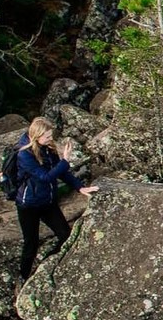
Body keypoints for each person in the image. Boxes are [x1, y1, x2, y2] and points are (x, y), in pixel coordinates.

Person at [9, 117, 98, 278]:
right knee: (31, 244)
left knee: (65, 234)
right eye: (47, 136)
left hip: (47, 201)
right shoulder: (24, 155)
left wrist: (80, 187)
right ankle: (23, 277)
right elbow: (45, 177)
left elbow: (61, 173)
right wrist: (65, 160)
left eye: (51, 136)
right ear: (37, 136)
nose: (51, 139)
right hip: (29, 205)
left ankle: (47, 263)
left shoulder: (48, 148)